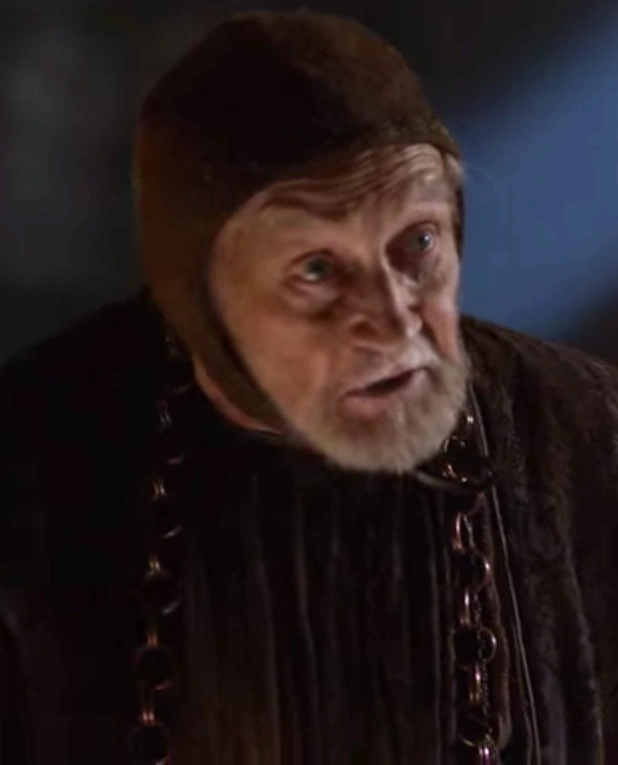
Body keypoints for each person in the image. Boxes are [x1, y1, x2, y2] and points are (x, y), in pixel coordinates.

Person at [1, 9, 618, 765]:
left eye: (418, 240)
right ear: (197, 298)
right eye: (318, 270)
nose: (393, 320)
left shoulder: (591, 442)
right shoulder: (27, 472)